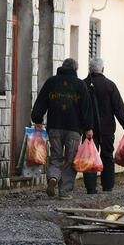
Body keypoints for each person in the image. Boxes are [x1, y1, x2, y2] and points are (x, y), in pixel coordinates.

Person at [31, 58, 93, 199]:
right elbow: (86, 109)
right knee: (70, 160)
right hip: (74, 129)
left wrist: (37, 119)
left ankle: (53, 177)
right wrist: (88, 127)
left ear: (62, 67)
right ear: (75, 69)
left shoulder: (51, 82)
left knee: (56, 157)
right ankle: (64, 192)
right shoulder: (80, 85)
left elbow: (41, 102)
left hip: (54, 127)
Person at [83, 57, 124, 194]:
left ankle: (91, 188)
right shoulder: (110, 85)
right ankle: (107, 186)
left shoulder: (83, 84)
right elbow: (118, 108)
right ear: (102, 69)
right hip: (107, 129)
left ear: (89, 69)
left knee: (90, 157)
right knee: (107, 156)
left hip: (88, 129)